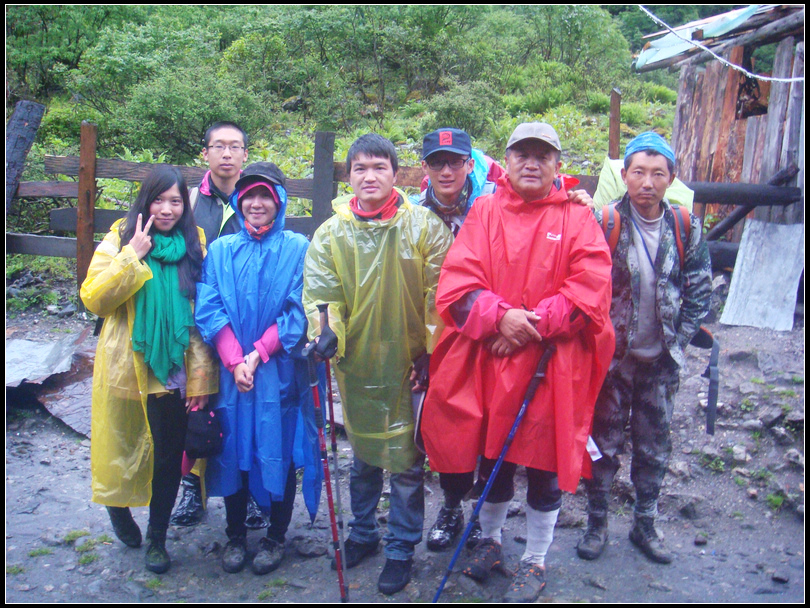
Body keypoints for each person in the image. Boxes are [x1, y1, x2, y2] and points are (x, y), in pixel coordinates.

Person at [421, 122, 614, 602]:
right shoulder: (484, 213)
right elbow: (457, 285)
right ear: (504, 162)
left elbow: (590, 287)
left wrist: (527, 325)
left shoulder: (577, 218)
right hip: (491, 361)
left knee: (546, 466)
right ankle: (489, 542)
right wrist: (499, 317)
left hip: (552, 366)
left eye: (542, 155)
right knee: (494, 459)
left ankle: (535, 559)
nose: (531, 163)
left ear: (558, 165)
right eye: (521, 154)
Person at [303, 134, 454, 595]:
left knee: (407, 461)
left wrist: (431, 351)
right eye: (360, 169)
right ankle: (363, 533)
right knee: (364, 455)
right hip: (358, 363)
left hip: (410, 363)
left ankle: (401, 547)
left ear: (396, 174)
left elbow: (441, 293)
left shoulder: (424, 227)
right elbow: (322, 295)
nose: (370, 177)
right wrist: (327, 334)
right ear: (349, 176)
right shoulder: (331, 233)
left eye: (379, 168)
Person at [577, 132, 712, 565]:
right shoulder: (604, 221)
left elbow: (700, 288)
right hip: (612, 363)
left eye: (658, 174)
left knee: (655, 448)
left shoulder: (685, 225)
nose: (648, 183)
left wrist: (679, 339)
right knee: (603, 445)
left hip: (661, 363)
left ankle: (645, 524)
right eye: (639, 172)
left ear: (670, 178)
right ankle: (596, 524)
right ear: (625, 175)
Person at [81, 166, 218, 574]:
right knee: (122, 443)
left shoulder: (195, 242)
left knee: (168, 455)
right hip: (128, 363)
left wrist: (202, 377)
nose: (167, 209)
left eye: (176, 201)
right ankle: (117, 504)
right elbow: (94, 298)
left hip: (174, 368)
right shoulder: (122, 235)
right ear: (145, 200)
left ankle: (157, 537)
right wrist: (131, 256)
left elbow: (199, 313)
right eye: (159, 199)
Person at [194, 162, 322, 575]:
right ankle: (235, 535)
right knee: (232, 450)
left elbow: (297, 310)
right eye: (249, 195)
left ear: (279, 200)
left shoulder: (297, 248)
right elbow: (209, 305)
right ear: (238, 200)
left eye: (265, 195)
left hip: (276, 371)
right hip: (233, 375)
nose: (257, 202)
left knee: (278, 449)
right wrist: (234, 359)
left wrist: (257, 354)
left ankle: (275, 536)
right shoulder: (221, 250)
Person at [172, 121, 267, 529]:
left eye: (235, 147)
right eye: (218, 146)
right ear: (205, 154)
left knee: (240, 407)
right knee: (195, 404)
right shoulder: (190, 201)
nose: (226, 154)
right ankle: (193, 490)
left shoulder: (257, 198)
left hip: (246, 326)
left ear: (246, 154)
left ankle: (242, 493)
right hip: (197, 322)